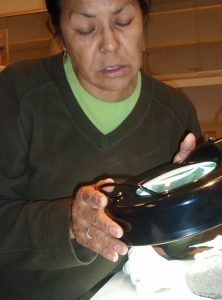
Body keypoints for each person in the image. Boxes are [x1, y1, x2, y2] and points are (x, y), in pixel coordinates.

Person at [0, 0, 202, 299]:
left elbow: (177, 247)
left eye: (123, 22)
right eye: (86, 29)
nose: (110, 45)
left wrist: (189, 203)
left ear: (143, 23)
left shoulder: (175, 113)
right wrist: (69, 223)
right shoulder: (18, 94)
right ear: (59, 34)